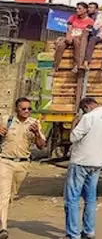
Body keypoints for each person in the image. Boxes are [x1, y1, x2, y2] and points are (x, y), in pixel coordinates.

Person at [64, 97, 102, 239]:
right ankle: (89, 231)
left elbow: (73, 137)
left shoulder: (88, 117)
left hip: (80, 162)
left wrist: (74, 122)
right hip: (97, 162)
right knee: (91, 199)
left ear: (86, 107)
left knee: (72, 199)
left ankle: (73, 234)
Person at [0, 97, 46, 239]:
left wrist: (37, 133)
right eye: (23, 108)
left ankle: (2, 216)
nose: (27, 111)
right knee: (3, 194)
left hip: (22, 164)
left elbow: (41, 145)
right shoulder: (7, 120)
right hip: (5, 161)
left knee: (11, 195)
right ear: (17, 109)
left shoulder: (34, 123)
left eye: (29, 109)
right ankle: (3, 227)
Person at [53, 2, 95, 74]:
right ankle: (55, 66)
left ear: (85, 10)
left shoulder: (90, 21)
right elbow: (69, 29)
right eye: (77, 8)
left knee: (77, 42)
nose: (77, 10)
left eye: (79, 9)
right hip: (71, 36)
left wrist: (75, 37)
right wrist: (68, 36)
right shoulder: (72, 17)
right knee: (60, 45)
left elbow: (86, 34)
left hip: (80, 38)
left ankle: (76, 65)